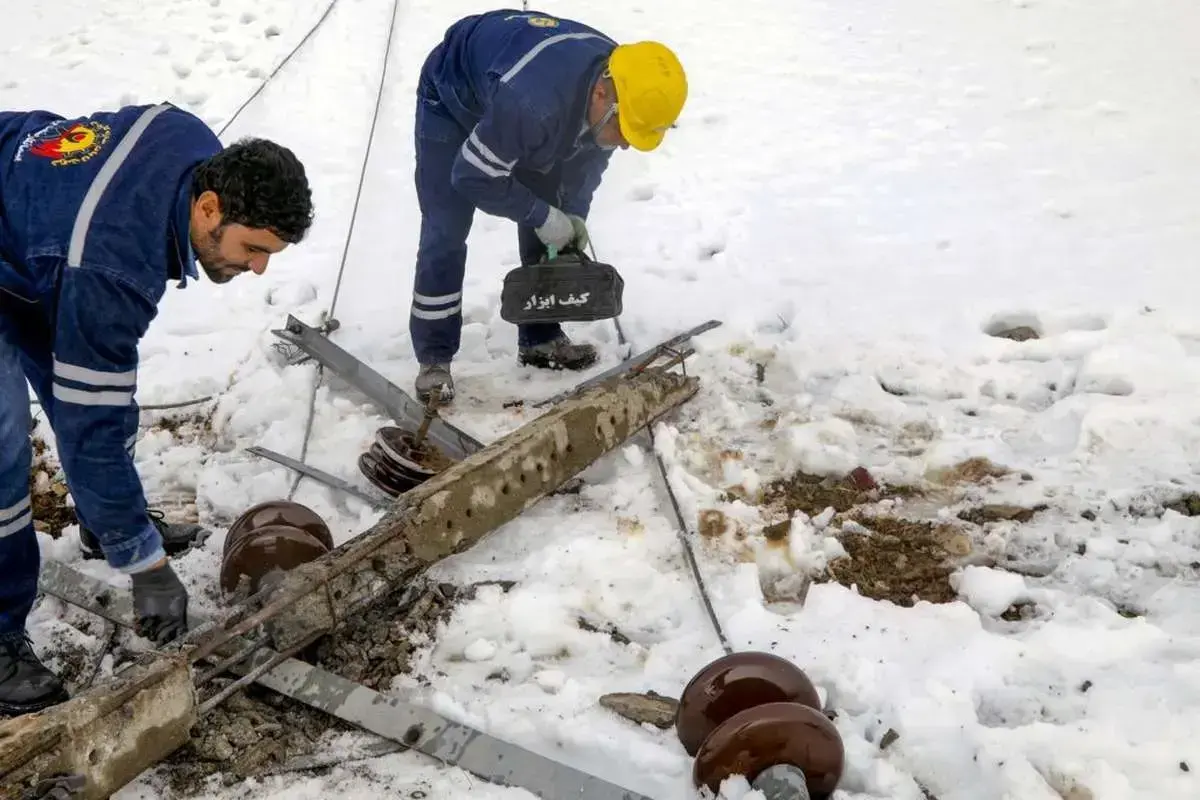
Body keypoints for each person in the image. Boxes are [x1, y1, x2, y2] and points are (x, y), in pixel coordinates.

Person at [0, 101, 314, 717]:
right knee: (3, 443)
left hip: (33, 241)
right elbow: (91, 427)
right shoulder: (111, 262)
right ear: (208, 209)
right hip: (39, 245)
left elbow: (97, 400)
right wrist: (144, 564)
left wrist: (121, 527)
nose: (257, 268)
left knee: (97, 391)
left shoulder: (194, 145)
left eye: (271, 254)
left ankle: (104, 519)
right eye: (253, 248)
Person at [409, 9, 688, 402]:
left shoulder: (618, 87)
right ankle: (434, 357)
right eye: (624, 130)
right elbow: (471, 176)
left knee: (549, 211)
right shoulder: (533, 102)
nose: (625, 143)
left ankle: (540, 340)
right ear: (600, 94)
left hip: (524, 109)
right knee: (445, 226)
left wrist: (571, 215)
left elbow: (586, 166)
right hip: (454, 99)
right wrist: (541, 214)